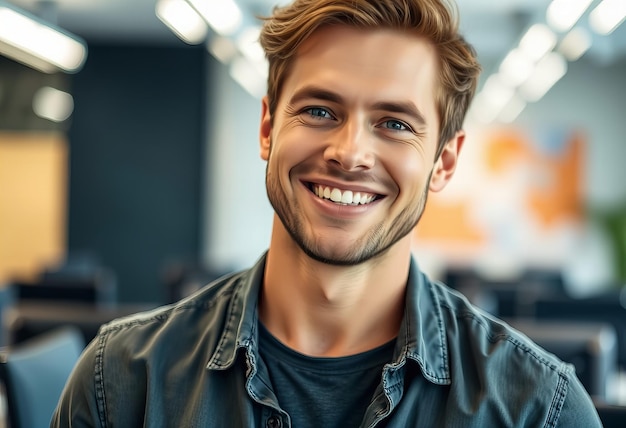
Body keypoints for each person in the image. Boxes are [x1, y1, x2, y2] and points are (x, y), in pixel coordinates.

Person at [52, 0, 603, 426]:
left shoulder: (538, 409)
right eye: (319, 110)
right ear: (268, 127)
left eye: (395, 124)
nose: (349, 152)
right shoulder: (121, 385)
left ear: (444, 161)